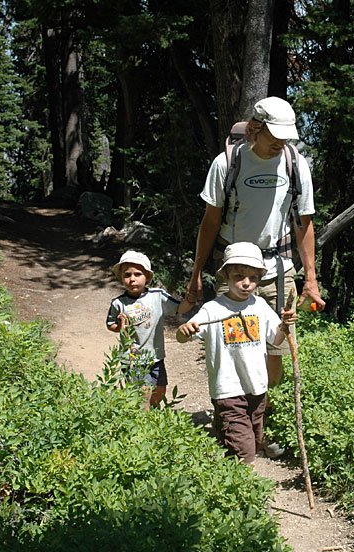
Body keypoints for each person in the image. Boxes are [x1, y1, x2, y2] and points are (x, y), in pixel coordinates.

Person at [185, 96, 325, 392]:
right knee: (231, 348)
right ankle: (232, 414)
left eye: (286, 136)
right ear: (254, 129)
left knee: (276, 350)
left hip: (278, 271)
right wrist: (196, 273)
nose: (281, 143)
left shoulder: (295, 164)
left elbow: (303, 224)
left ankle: (265, 415)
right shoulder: (227, 163)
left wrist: (311, 280)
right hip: (233, 271)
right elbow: (210, 223)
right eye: (275, 135)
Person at [176, 242, 297, 464]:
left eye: (253, 278)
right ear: (226, 276)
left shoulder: (260, 306)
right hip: (228, 390)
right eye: (239, 276)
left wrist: (285, 324)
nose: (246, 283)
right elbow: (183, 337)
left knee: (254, 440)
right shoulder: (213, 309)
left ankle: (225, 442)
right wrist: (184, 331)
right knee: (244, 452)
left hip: (257, 388)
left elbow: (276, 338)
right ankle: (244, 480)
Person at [107, 250, 192, 409]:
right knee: (143, 393)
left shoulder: (157, 296)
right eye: (127, 275)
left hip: (156, 356)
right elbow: (110, 324)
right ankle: (143, 419)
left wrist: (191, 299)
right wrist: (120, 326)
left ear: (147, 277)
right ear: (121, 278)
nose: (132, 279)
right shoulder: (118, 303)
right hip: (133, 358)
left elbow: (180, 308)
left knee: (160, 390)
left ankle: (151, 412)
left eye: (138, 274)